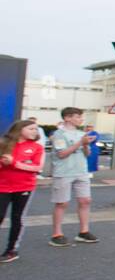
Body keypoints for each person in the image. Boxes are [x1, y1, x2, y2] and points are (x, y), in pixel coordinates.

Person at [48, 107, 97, 246]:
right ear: (67, 118)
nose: (81, 119)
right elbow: (62, 153)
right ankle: (57, 233)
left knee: (85, 200)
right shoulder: (59, 134)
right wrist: (80, 143)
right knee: (62, 203)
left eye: (81, 117)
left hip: (81, 171)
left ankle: (84, 231)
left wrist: (86, 145)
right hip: (64, 171)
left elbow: (87, 154)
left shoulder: (81, 134)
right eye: (78, 117)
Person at [0, 118, 44, 263]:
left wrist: (14, 163)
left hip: (24, 187)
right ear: (20, 130)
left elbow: (37, 167)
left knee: (17, 218)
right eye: (31, 128)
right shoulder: (4, 144)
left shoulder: (37, 148)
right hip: (3, 186)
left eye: (36, 129)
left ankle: (11, 250)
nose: (35, 131)